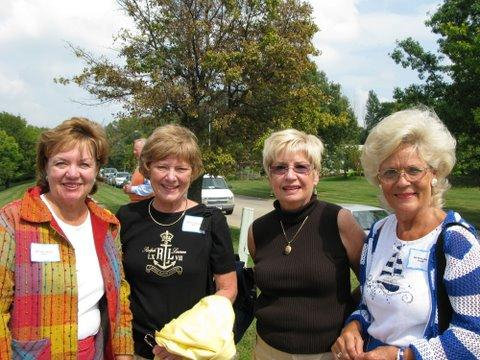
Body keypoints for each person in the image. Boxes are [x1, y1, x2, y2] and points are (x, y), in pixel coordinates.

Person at [332, 108, 480, 360]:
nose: (402, 182)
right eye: (390, 172)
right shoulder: (378, 233)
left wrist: (404, 356)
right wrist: (353, 327)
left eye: (413, 170)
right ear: (379, 180)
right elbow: (371, 305)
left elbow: (474, 338)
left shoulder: (457, 241)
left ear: (434, 174)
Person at [0, 117, 134, 359]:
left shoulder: (107, 225)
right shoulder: (13, 221)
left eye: (84, 164)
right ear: (46, 167)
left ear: (96, 170)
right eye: (61, 163)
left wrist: (123, 353)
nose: (73, 174)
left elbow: (119, 298)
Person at [116, 124, 237, 360]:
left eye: (181, 168)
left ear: (192, 172)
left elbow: (228, 289)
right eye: (162, 167)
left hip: (191, 351)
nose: (171, 177)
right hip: (136, 350)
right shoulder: (127, 218)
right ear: (148, 168)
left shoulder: (211, 220)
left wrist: (186, 341)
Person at [248, 128, 365, 359]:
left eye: (301, 167)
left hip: (328, 353)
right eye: (279, 168)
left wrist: (352, 321)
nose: (290, 176)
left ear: (316, 175)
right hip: (267, 351)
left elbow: (373, 285)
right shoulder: (258, 230)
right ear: (269, 175)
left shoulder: (339, 221)